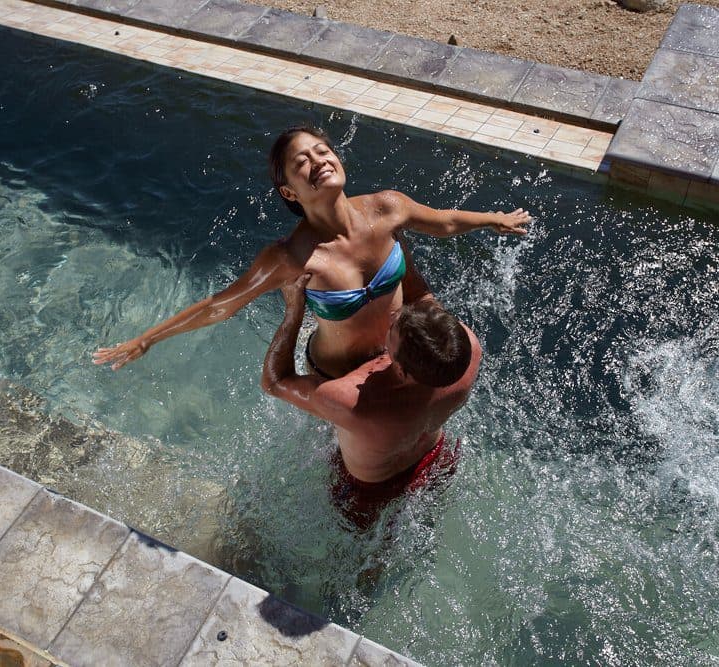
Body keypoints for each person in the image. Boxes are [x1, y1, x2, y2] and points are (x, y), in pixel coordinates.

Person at [93, 125, 530, 378]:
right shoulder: (290, 259)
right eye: (302, 160)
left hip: (402, 356)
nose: (318, 159)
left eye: (322, 150)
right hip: (337, 377)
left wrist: (494, 218)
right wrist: (148, 338)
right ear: (288, 190)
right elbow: (218, 307)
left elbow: (445, 222)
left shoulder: (387, 207)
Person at [261, 271, 481, 527]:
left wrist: (293, 309)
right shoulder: (468, 350)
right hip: (437, 461)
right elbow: (422, 296)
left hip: (369, 493)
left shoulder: (354, 402)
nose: (395, 317)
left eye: (392, 331)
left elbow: (274, 382)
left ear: (400, 369)